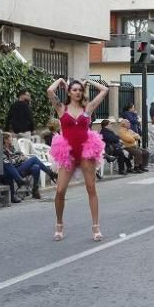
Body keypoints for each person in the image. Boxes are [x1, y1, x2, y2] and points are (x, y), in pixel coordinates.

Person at [47, 78, 109, 241]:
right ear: (68, 92)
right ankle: (59, 224)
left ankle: (96, 227)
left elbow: (104, 90)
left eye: (79, 90)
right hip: (68, 153)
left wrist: (89, 81)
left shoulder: (87, 108)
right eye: (74, 90)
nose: (77, 92)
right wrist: (60, 80)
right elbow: (49, 91)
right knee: (60, 191)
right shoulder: (61, 108)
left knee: (91, 188)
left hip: (85, 152)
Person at [0, 132, 55, 202]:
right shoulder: (2, 150)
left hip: (20, 167)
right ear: (5, 140)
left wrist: (21, 157)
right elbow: (9, 163)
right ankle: (50, 173)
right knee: (34, 159)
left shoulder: (12, 147)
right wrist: (19, 159)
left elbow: (20, 154)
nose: (12, 139)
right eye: (10, 138)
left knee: (36, 167)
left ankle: (35, 190)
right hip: (14, 171)